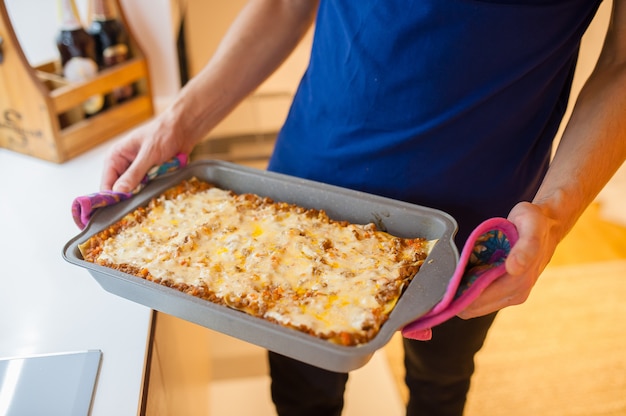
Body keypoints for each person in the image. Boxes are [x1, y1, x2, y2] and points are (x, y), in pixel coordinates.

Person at [101, 1, 626, 415]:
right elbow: (286, 3)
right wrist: (176, 126)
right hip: (303, 195)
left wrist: (556, 213)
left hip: (476, 223)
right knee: (303, 395)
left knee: (440, 382)